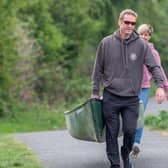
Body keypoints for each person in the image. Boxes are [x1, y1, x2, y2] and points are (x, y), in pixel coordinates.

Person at [91, 9, 165, 168]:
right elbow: (97, 70)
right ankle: (115, 164)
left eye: (133, 23)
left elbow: (154, 67)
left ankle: (126, 154)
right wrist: (95, 92)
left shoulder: (141, 45)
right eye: (127, 22)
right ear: (120, 22)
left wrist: (160, 86)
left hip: (131, 97)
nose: (130, 26)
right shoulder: (106, 43)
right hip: (111, 95)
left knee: (131, 131)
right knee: (112, 132)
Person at [131, 24, 168, 157]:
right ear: (137, 35)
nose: (144, 37)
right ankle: (126, 139)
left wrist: (164, 87)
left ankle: (136, 143)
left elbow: (158, 69)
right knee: (129, 114)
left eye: (146, 34)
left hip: (144, 88)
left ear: (149, 36)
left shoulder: (153, 53)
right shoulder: (131, 49)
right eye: (141, 34)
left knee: (139, 114)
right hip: (129, 88)